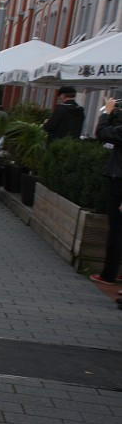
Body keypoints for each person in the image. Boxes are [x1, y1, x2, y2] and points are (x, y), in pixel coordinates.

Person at [90, 97, 122, 286]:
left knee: (117, 227)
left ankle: (108, 274)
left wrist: (106, 112)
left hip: (119, 180)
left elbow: (102, 133)